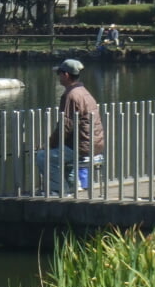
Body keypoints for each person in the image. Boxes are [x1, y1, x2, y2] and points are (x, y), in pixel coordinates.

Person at [36, 58, 105, 193]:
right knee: (63, 154)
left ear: (66, 75)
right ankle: (72, 187)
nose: (58, 77)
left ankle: (57, 190)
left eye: (59, 74)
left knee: (43, 157)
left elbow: (65, 126)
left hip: (82, 146)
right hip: (94, 144)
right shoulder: (83, 91)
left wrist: (49, 145)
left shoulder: (71, 95)